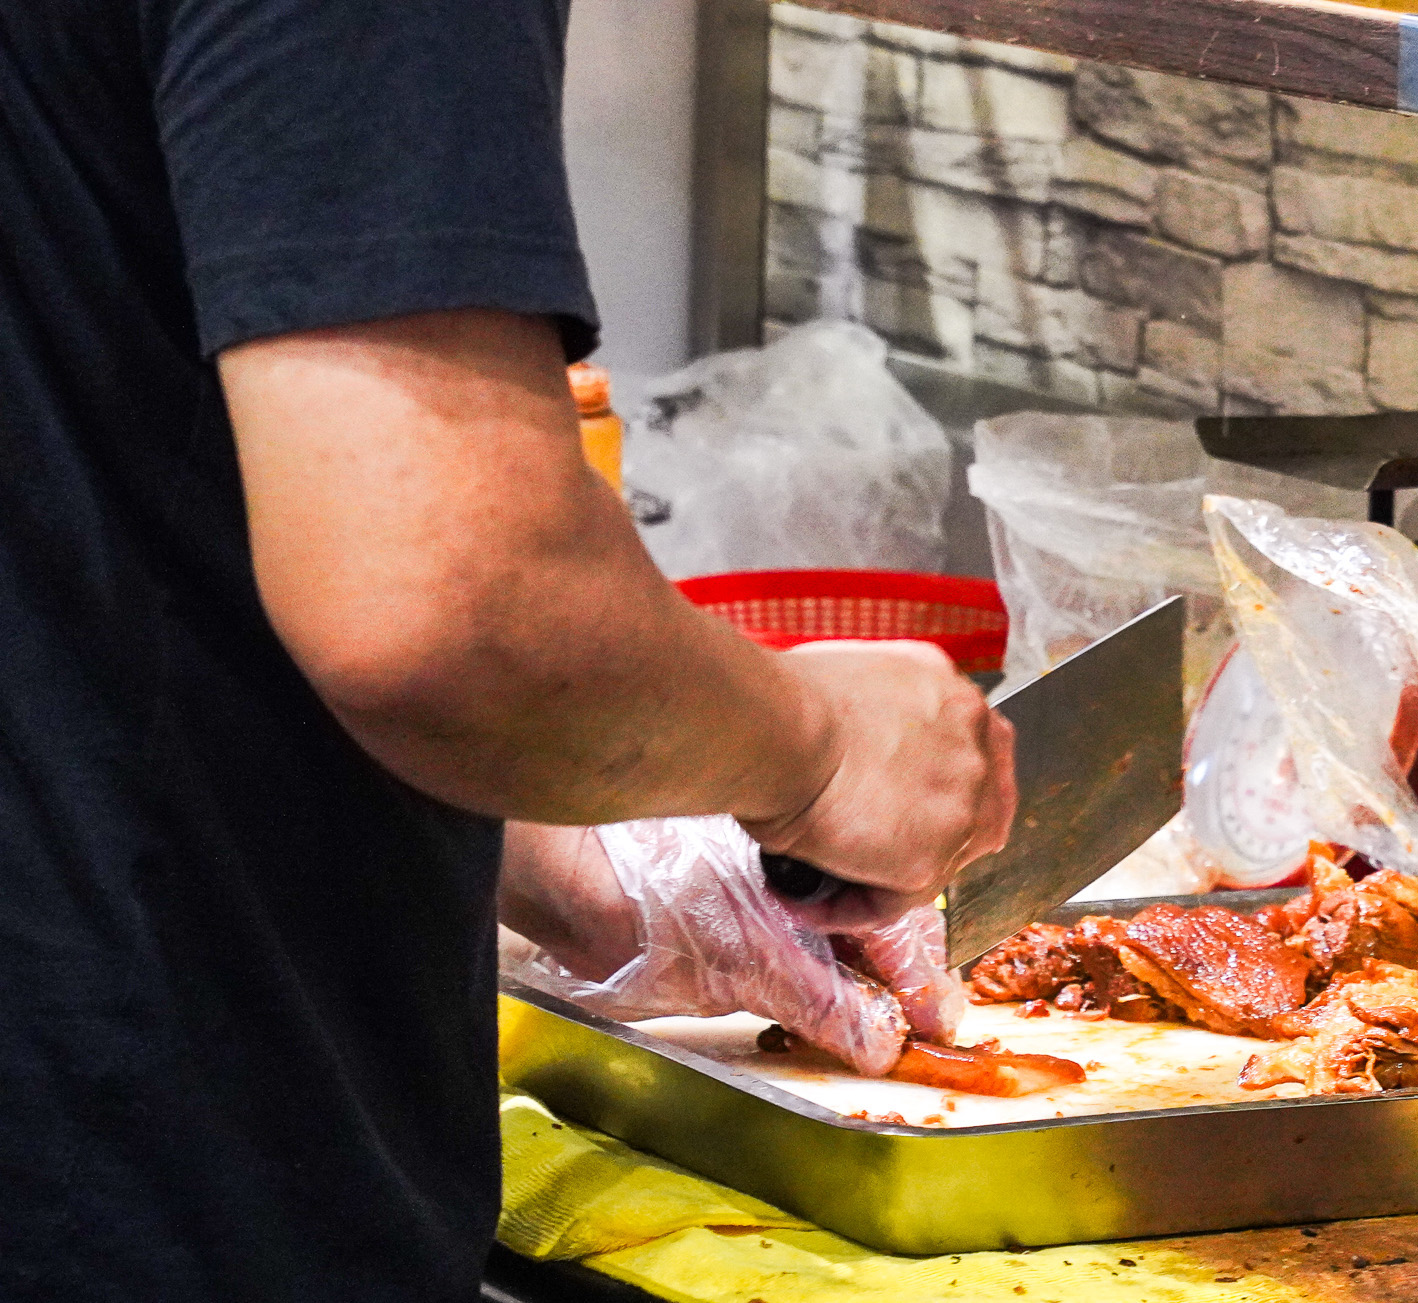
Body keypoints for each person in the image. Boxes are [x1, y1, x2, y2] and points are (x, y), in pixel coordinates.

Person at [0, 3, 1015, 1299]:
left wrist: (558, 846)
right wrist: (820, 749)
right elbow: (454, 603)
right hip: (127, 1186)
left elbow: (90, 427)